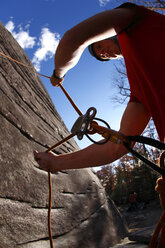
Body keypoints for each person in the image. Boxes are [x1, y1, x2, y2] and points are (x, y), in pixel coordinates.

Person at [33, 2, 165, 173]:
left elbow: (72, 40)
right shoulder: (139, 91)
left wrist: (58, 74)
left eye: (99, 45)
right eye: (100, 53)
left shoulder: (136, 17)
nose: (102, 53)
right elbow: (119, 145)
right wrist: (56, 162)